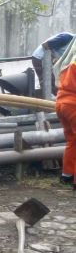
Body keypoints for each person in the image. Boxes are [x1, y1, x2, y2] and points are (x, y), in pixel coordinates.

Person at [53, 35, 76, 189]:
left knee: (72, 140)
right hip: (73, 104)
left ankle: (67, 175)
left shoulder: (68, 62)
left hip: (61, 103)